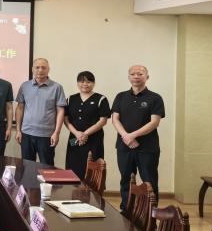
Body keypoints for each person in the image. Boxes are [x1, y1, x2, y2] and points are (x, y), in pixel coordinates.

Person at [111, 65, 165, 211]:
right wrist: (126, 137)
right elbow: (115, 119)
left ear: (147, 77)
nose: (136, 76)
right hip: (124, 146)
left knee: (149, 181)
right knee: (126, 180)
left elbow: (154, 122)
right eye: (133, 74)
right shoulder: (120, 96)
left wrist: (133, 136)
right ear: (128, 77)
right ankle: (126, 211)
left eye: (140, 74)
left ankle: (150, 215)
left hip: (147, 148)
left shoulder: (155, 98)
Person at [15, 58, 66, 165]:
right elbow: (20, 108)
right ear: (32, 69)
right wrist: (18, 130)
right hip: (26, 133)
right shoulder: (25, 86)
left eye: (43, 67)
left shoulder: (57, 87)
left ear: (48, 69)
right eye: (37, 67)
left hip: (47, 135)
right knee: (27, 166)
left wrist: (56, 133)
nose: (40, 70)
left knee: (47, 167)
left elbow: (61, 111)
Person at [64, 71, 110, 179]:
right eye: (82, 81)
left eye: (88, 81)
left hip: (94, 139)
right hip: (74, 138)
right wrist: (77, 133)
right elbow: (66, 119)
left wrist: (85, 134)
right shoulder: (71, 99)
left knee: (93, 168)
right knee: (73, 165)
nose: (85, 84)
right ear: (77, 83)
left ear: (94, 83)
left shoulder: (101, 99)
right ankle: (73, 189)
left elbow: (103, 121)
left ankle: (92, 190)